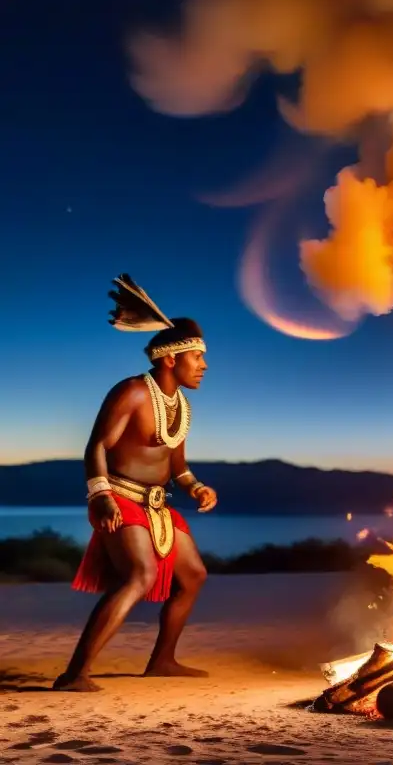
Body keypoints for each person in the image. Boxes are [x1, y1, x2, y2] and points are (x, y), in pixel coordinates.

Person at [54, 274, 217, 692]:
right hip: (121, 498)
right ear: (170, 359)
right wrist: (101, 495)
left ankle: (162, 661)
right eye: (197, 357)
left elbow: (176, 464)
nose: (203, 365)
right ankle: (76, 674)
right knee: (139, 576)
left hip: (159, 506)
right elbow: (97, 446)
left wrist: (195, 486)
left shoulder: (181, 406)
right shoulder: (131, 392)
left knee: (194, 575)